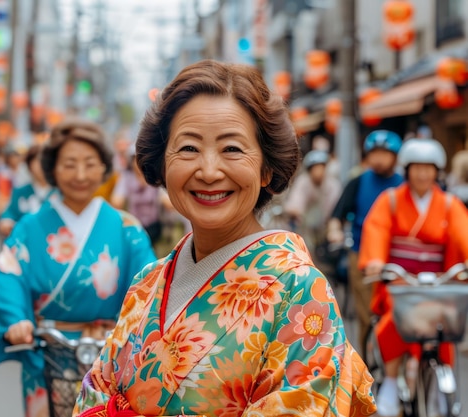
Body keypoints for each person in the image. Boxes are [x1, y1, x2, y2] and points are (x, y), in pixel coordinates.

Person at [74, 60, 375, 417]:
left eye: (232, 149)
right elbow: (96, 391)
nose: (209, 170)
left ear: (265, 168)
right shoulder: (147, 282)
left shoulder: (300, 290)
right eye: (188, 148)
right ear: (163, 162)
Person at [0, 118, 157, 417]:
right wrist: (16, 320)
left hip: (111, 353)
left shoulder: (126, 227)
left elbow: (148, 283)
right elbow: (9, 272)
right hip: (48, 347)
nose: (80, 174)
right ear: (53, 169)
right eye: (69, 164)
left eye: (90, 163)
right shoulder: (29, 227)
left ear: (104, 168)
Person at [358, 138, 468, 416]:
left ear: (437, 171)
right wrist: (374, 261)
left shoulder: (449, 204)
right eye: (416, 168)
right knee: (394, 319)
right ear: (406, 170)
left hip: (439, 282)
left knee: (444, 326)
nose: (422, 174)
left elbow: (463, 234)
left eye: (428, 168)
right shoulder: (391, 201)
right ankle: (392, 382)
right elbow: (377, 230)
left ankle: (440, 386)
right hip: (400, 282)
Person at [326, 130, 403, 351]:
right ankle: (369, 363)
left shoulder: (403, 184)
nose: (378, 159)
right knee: (367, 314)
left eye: (384, 153)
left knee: (399, 315)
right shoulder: (358, 182)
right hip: (361, 255)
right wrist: (335, 231)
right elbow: (337, 216)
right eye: (374, 153)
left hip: (396, 258)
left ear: (395, 157)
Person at [284, 149, 342, 256]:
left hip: (326, 226)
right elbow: (295, 204)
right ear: (309, 170)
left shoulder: (332, 184)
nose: (318, 171)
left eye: (321, 167)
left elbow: (335, 209)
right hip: (305, 225)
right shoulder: (303, 182)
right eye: (315, 168)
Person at [111, 148, 168, 245]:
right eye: (137, 160)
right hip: (134, 226)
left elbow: (166, 200)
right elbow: (116, 200)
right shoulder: (126, 177)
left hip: (154, 226)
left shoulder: (154, 176)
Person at [0, 144, 53, 237]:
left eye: (46, 161)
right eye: (38, 161)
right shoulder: (21, 192)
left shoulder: (59, 192)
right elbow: (10, 212)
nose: (42, 165)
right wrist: (6, 221)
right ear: (29, 165)